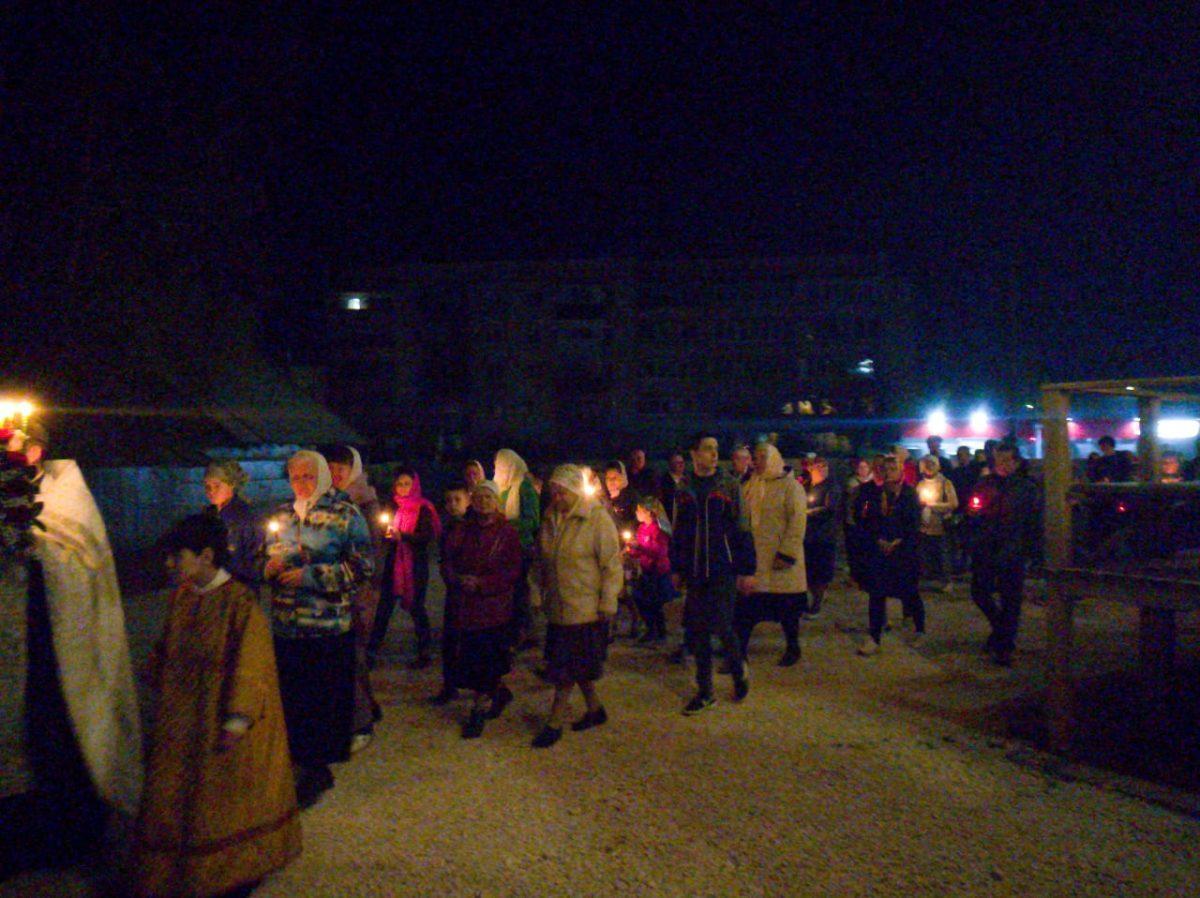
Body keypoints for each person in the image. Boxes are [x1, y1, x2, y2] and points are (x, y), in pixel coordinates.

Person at [132, 514, 300, 898]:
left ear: (206, 556)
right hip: (182, 718)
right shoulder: (184, 596)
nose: (170, 564)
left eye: (178, 556)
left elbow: (253, 664)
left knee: (219, 799)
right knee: (180, 795)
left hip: (216, 718)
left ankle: (230, 869)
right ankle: (179, 867)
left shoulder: (240, 604)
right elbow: (167, 646)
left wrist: (237, 720)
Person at [0, 424, 142, 876]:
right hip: (10, 642)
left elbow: (82, 561)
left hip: (55, 646)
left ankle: (68, 835)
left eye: (17, 445)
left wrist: (31, 543)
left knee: (55, 736)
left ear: (36, 449)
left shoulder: (66, 495)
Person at [263, 450, 374, 807]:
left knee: (322, 701)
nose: (301, 483)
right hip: (287, 625)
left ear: (322, 476)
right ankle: (297, 760)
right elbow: (266, 556)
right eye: (295, 477)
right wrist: (268, 568)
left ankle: (317, 770)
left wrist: (310, 576)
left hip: (326, 626)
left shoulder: (344, 514)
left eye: (308, 476)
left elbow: (363, 567)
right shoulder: (281, 514)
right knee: (294, 699)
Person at [530, 464, 623, 748]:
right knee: (576, 665)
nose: (557, 498)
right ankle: (595, 709)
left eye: (562, 492)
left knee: (564, 670)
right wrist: (536, 592)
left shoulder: (596, 519)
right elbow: (540, 562)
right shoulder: (550, 519)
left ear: (574, 490)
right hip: (558, 606)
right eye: (554, 492)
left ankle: (554, 721)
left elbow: (611, 564)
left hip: (585, 607)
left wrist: (608, 600)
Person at [670, 432, 756, 714]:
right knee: (698, 631)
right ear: (694, 454)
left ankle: (738, 669)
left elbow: (742, 528)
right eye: (708, 448)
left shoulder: (728, 485)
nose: (714, 454)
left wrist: (746, 569)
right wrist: (677, 567)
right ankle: (705, 691)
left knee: (722, 626)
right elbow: (679, 531)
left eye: (716, 448)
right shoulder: (684, 489)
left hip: (722, 568)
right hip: (696, 571)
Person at [440, 481, 523, 739]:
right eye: (479, 497)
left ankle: (478, 710)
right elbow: (447, 560)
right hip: (467, 607)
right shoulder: (463, 530)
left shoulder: (507, 533)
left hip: (493, 609)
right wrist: (456, 580)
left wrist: (483, 584)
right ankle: (499, 693)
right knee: (475, 659)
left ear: (496, 502)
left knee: (486, 658)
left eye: (488, 497)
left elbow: (511, 571)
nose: (483, 502)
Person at [323, 445, 386, 751]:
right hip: (336, 590)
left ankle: (361, 722)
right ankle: (368, 707)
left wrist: (363, 589)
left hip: (358, 592)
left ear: (354, 470)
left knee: (352, 653)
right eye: (330, 468)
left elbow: (373, 557)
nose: (336, 474)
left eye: (342, 469)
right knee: (350, 654)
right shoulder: (330, 500)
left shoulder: (363, 505)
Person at [968, 443, 1039, 666]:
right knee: (979, 592)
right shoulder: (985, 483)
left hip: (1013, 549)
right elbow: (974, 510)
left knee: (1010, 599)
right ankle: (1001, 631)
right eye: (998, 460)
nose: (1002, 465)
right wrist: (974, 513)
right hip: (986, 547)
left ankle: (1005, 646)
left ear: (1016, 462)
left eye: (1007, 460)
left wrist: (1032, 551)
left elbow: (1033, 521)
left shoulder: (1026, 487)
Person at [738, 442, 805, 667]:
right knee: (746, 610)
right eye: (755, 457)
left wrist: (787, 554)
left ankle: (793, 647)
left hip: (780, 563)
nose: (756, 461)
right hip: (755, 561)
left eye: (761, 457)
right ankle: (738, 653)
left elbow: (797, 523)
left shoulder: (791, 487)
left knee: (787, 612)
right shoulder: (750, 485)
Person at [372, 466, 442, 669]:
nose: (403, 488)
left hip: (415, 565)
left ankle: (424, 651)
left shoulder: (423, 508)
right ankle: (371, 651)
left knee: (417, 607)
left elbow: (426, 537)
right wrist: (387, 534)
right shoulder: (393, 505)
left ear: (415, 485)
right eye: (399, 484)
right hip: (394, 564)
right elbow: (385, 533)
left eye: (407, 484)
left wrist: (403, 536)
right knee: (384, 607)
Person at [856, 455, 924, 655]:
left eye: (893, 469)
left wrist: (899, 540)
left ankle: (920, 628)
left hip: (903, 551)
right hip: (880, 550)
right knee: (876, 593)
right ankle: (874, 636)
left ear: (901, 471)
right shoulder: (874, 494)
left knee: (910, 592)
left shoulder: (909, 494)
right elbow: (866, 519)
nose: (888, 473)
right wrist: (877, 539)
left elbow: (914, 522)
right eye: (885, 469)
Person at [493, 448, 540, 648]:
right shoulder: (498, 487)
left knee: (519, 591)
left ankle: (523, 632)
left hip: (520, 547)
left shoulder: (524, 487)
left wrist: (507, 526)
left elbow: (533, 520)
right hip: (501, 547)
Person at [431, 482, 472, 706]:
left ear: (468, 500)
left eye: (458, 499)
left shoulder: (474, 527)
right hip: (454, 590)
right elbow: (445, 557)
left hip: (471, 592)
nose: (453, 505)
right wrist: (449, 576)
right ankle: (450, 685)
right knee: (450, 640)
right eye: (449, 501)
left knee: (469, 640)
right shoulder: (448, 527)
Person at [203, 459, 263, 586]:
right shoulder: (207, 516)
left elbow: (254, 560)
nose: (211, 491)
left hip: (238, 587)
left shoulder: (246, 517)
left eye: (217, 485)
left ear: (231, 484)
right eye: (207, 486)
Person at [627, 495, 672, 644]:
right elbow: (640, 551)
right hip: (646, 571)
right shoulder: (642, 528)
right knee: (640, 599)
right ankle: (652, 629)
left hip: (657, 572)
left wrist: (639, 547)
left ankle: (659, 632)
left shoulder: (658, 529)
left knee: (654, 603)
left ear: (649, 512)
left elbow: (659, 551)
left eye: (639, 510)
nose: (636, 513)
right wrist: (631, 550)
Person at [802, 456, 838, 619]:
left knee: (820, 573)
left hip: (824, 536)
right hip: (807, 536)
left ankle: (817, 603)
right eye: (819, 466)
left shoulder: (831, 487)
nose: (823, 469)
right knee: (808, 572)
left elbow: (830, 509)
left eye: (825, 466)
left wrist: (810, 512)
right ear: (811, 468)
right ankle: (808, 600)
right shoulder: (806, 485)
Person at [916, 455, 959, 592]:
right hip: (925, 525)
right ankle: (929, 576)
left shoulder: (945, 483)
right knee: (926, 553)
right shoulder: (921, 484)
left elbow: (954, 503)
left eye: (932, 464)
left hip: (941, 524)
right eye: (926, 464)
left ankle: (947, 580)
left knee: (943, 553)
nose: (929, 467)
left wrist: (933, 505)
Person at [842, 457, 876, 590]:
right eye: (860, 467)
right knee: (854, 551)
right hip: (853, 521)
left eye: (865, 467)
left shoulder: (873, 482)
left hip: (868, 522)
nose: (863, 470)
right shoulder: (852, 483)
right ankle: (855, 576)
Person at [603, 459, 638, 531]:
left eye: (615, 478)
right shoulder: (602, 496)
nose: (611, 481)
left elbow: (635, 521)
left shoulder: (631, 497)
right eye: (608, 478)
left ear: (622, 477)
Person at [660, 450, 688, 528]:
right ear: (671, 464)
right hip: (669, 519)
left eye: (682, 462)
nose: (681, 465)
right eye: (677, 463)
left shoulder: (688, 480)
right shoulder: (663, 481)